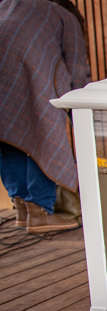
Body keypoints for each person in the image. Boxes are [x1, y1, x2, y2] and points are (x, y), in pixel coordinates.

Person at [0, 0, 87, 234]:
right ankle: (41, 210)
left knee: (6, 133)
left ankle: (22, 207)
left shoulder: (10, 4)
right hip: (29, 74)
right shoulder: (64, 17)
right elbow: (78, 70)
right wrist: (80, 109)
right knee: (43, 132)